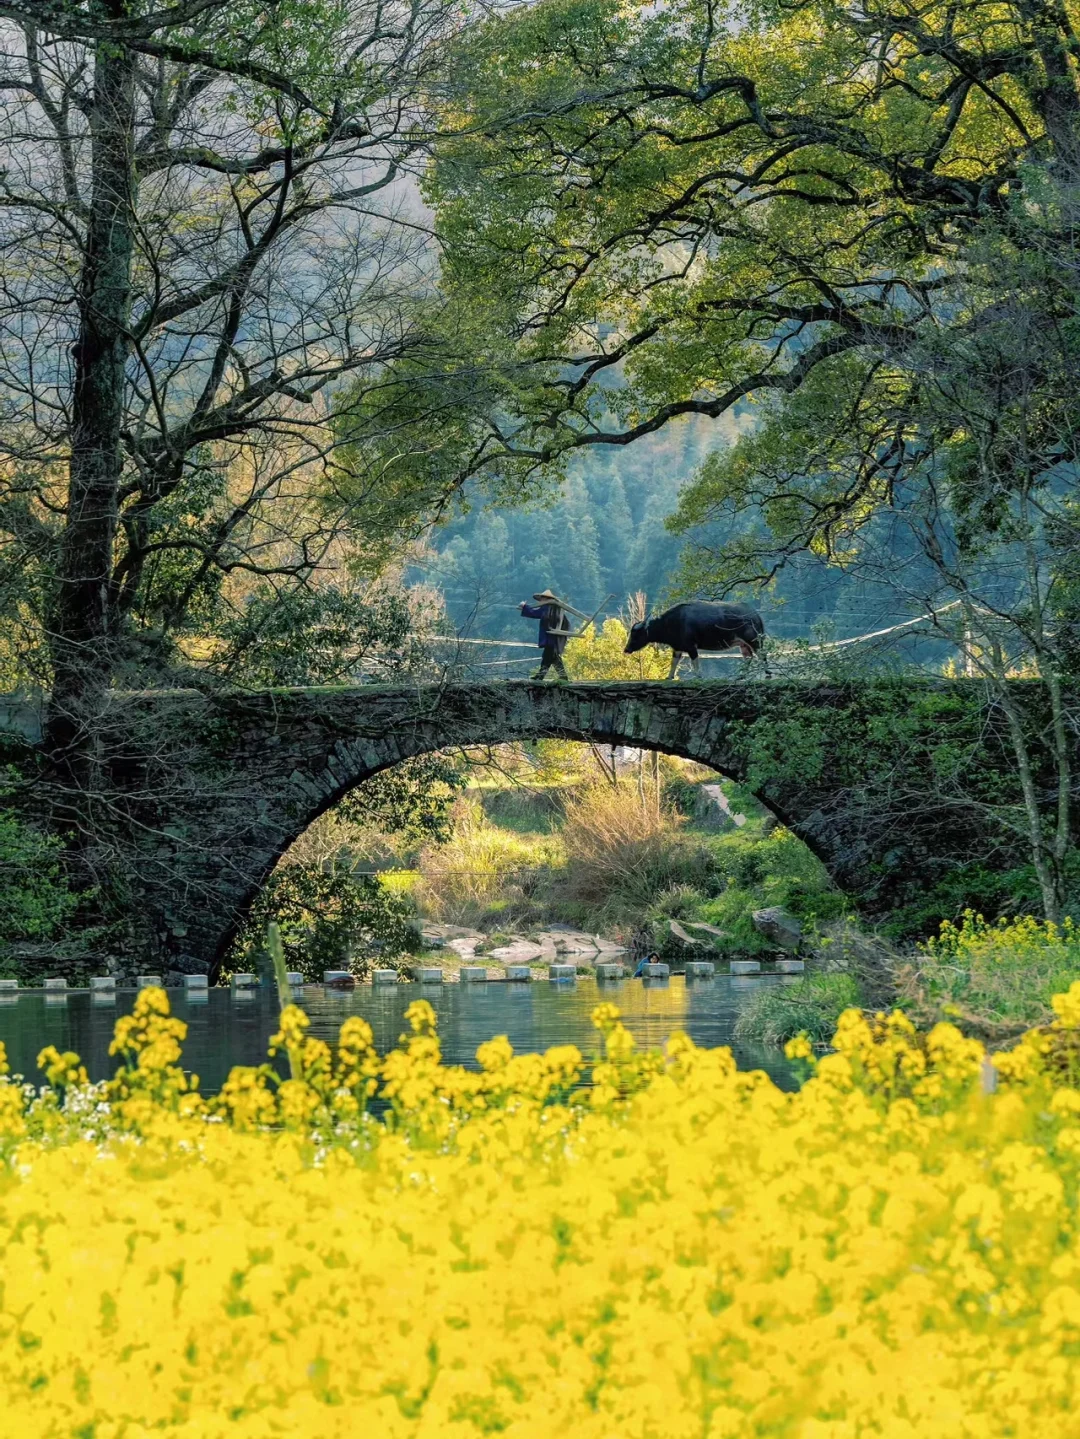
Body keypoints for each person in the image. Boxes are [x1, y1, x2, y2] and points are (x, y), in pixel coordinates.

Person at [519, 589, 571, 681]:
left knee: (548, 657)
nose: (541, 601)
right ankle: (561, 676)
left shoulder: (548, 608)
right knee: (553, 657)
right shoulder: (555, 608)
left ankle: (542, 676)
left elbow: (535, 613)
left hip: (551, 638)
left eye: (542, 599)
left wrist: (524, 607)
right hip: (554, 638)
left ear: (546, 599)